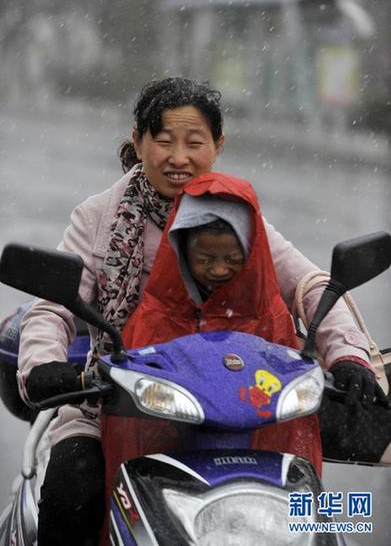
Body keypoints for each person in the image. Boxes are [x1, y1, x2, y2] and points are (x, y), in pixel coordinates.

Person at [16, 77, 382, 545]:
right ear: (138, 141)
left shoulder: (237, 214)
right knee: (74, 486)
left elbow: (310, 285)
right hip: (118, 397)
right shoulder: (100, 217)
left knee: (304, 514)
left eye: (194, 142)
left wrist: (349, 356)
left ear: (218, 145)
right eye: (164, 140)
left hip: (235, 405)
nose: (178, 157)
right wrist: (43, 363)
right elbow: (53, 309)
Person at [101, 172, 322, 514]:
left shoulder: (269, 314)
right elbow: (135, 429)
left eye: (233, 260)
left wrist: (350, 358)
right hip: (174, 464)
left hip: (256, 469)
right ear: (179, 249)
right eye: (205, 260)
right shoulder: (154, 315)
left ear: (251, 251)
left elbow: (318, 289)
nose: (219, 270)